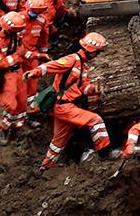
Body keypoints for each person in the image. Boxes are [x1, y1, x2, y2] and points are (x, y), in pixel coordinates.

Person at [23, 32, 114, 170]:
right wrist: (34, 72)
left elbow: (82, 88)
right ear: (90, 50)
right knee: (96, 120)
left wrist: (94, 89)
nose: (97, 56)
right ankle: (104, 152)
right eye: (97, 53)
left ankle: (46, 167)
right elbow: (51, 66)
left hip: (64, 107)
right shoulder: (72, 60)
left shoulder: (83, 66)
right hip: (64, 107)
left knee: (57, 143)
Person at [0, 11, 28, 145]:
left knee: (21, 102)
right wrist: (15, 57)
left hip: (19, 72)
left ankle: (17, 128)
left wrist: (29, 55)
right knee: (10, 104)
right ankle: (4, 127)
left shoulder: (16, 35)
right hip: (7, 75)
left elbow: (21, 50)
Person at [20, 0, 51, 120]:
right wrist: (37, 55)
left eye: (39, 12)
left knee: (32, 82)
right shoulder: (18, 18)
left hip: (32, 55)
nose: (36, 14)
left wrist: (43, 55)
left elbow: (43, 39)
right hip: (18, 55)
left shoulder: (42, 21)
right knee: (15, 82)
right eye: (34, 11)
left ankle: (30, 107)